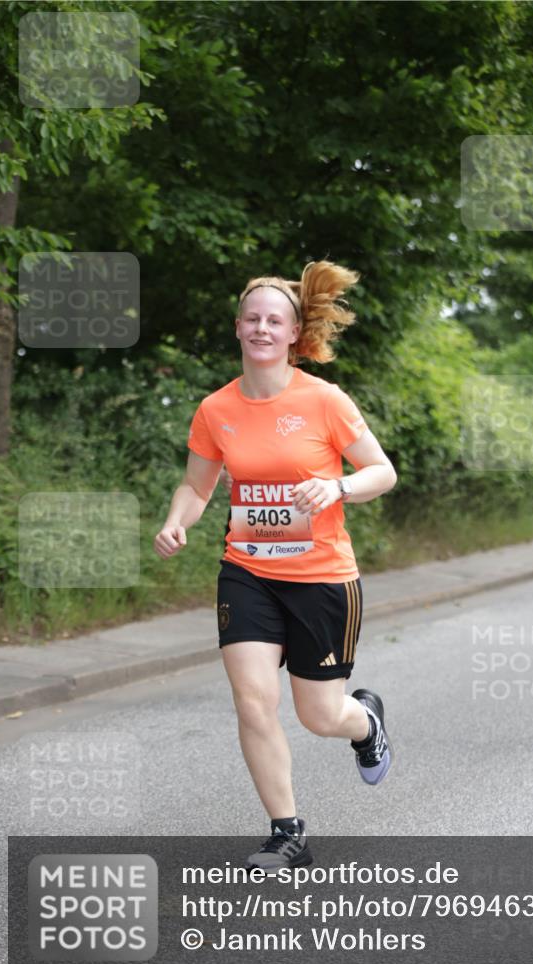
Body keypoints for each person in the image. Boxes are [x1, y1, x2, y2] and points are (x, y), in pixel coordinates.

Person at [154, 260, 397, 871]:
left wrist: (339, 488)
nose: (262, 328)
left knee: (320, 716)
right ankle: (287, 833)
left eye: (275, 320)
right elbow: (197, 486)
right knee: (255, 704)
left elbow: (382, 472)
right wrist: (177, 518)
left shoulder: (324, 400)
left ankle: (364, 722)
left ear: (293, 334)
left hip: (321, 578)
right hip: (248, 571)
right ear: (238, 327)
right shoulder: (216, 409)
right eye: (253, 318)